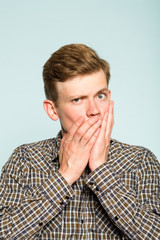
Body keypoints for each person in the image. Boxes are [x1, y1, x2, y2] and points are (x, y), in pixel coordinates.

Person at [0, 44, 159, 240]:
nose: (94, 110)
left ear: (109, 98)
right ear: (52, 110)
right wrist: (64, 176)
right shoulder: (25, 160)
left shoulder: (140, 162)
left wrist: (101, 171)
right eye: (77, 100)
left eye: (100, 96)